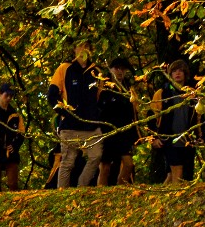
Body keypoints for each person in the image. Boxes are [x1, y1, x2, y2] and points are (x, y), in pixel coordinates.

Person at [49, 42, 104, 187]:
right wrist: (65, 113)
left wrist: (95, 114)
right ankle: (63, 195)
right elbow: (51, 95)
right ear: (74, 49)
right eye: (80, 45)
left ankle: (81, 187)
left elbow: (100, 98)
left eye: (87, 45)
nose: (83, 49)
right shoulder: (64, 68)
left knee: (96, 156)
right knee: (68, 162)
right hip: (70, 125)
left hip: (91, 125)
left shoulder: (97, 72)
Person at [151, 59, 199, 183]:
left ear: (185, 74)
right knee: (177, 169)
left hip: (187, 140)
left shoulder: (192, 95)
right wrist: (153, 138)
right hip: (168, 139)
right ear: (170, 74)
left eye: (180, 71)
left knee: (173, 175)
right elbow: (151, 116)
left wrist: (200, 135)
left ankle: (162, 198)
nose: (177, 73)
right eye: (174, 71)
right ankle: (175, 198)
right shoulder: (162, 94)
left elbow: (198, 117)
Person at [97, 57, 138, 186]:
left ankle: (120, 188)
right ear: (111, 69)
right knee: (105, 167)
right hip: (107, 132)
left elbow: (133, 112)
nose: (120, 71)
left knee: (128, 164)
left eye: (123, 69)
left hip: (124, 132)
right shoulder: (103, 86)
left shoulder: (128, 88)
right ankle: (101, 193)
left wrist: (135, 133)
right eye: (117, 68)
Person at [0, 85, 26, 190]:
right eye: (7, 95)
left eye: (11, 96)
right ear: (0, 94)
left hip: (11, 152)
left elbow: (21, 133)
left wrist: (15, 145)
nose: (9, 98)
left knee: (13, 183)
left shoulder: (15, 115)